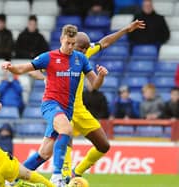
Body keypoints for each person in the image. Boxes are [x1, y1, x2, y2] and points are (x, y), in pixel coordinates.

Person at [27, 20, 145, 180]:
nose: (83, 51)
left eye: (85, 48)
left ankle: (77, 171)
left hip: (79, 110)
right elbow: (31, 70)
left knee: (104, 145)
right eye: (79, 48)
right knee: (59, 145)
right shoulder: (56, 57)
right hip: (61, 108)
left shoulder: (82, 56)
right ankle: (61, 177)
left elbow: (105, 42)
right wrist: (45, 78)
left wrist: (126, 29)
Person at [2, 24, 109, 186]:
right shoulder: (48, 57)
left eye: (73, 44)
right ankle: (57, 176)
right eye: (68, 43)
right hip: (50, 105)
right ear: (61, 39)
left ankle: (12, 178)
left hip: (67, 110)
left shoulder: (81, 59)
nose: (70, 47)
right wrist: (10, 68)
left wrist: (101, 76)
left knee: (44, 153)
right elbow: (23, 68)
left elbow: (95, 84)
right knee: (66, 130)